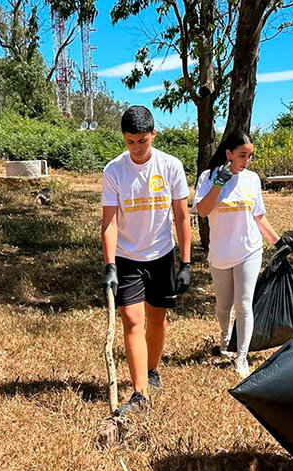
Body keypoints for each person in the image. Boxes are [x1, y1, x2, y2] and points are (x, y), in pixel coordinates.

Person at [101, 106, 192, 415]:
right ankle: (140, 392)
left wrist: (187, 263)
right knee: (133, 320)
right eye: (130, 142)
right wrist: (110, 265)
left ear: (153, 134)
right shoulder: (114, 171)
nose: (137, 149)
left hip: (162, 255)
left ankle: (151, 370)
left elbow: (181, 218)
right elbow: (109, 223)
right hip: (128, 258)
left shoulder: (171, 166)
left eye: (142, 141)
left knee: (157, 319)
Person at [193, 130, 292, 379]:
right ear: (228, 154)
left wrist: (278, 242)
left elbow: (258, 216)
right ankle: (225, 337)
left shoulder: (252, 180)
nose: (246, 161)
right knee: (223, 305)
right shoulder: (208, 177)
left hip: (249, 249)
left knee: (244, 304)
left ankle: (242, 356)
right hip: (220, 252)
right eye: (241, 155)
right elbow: (203, 211)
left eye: (249, 156)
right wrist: (219, 183)